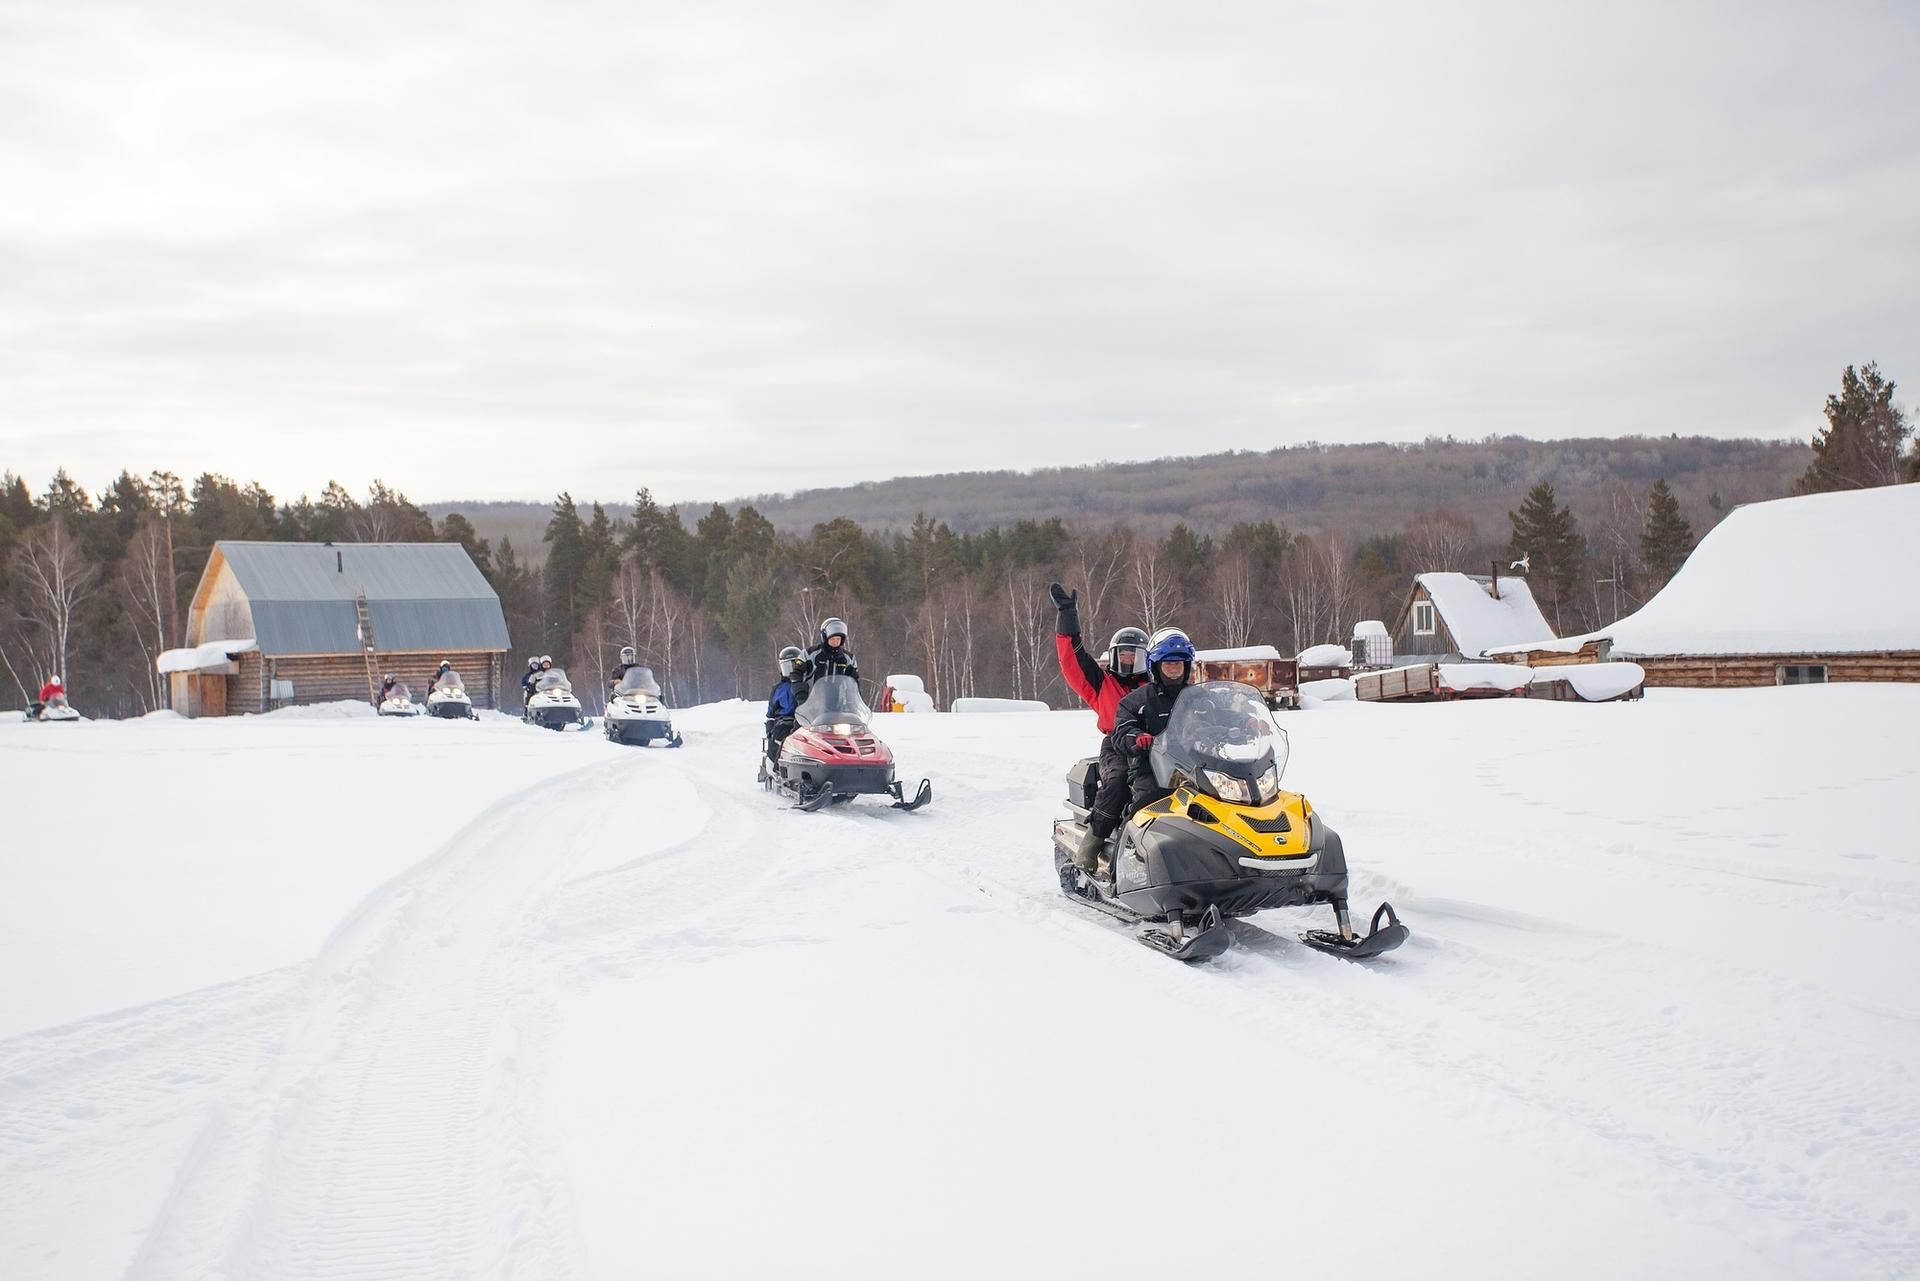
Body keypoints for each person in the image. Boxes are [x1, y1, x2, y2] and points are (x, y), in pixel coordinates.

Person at [1049, 584, 1150, 873]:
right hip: (1117, 746)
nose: (1130, 660)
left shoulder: (1156, 686)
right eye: (1125, 654)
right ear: (1115, 656)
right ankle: (1090, 850)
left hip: (1155, 746)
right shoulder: (1102, 682)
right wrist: (1068, 616)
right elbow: (1073, 661)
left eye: (1136, 655)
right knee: (1117, 783)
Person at [1097, 628, 1199, 868]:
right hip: (1151, 767)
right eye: (1169, 664)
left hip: (1193, 766)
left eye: (1179, 664)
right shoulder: (1139, 699)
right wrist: (1137, 737)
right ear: (1156, 666)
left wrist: (1246, 724)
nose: (1174, 669)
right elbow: (1122, 728)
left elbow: (1218, 719)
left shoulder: (1196, 697)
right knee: (1146, 803)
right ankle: (1120, 863)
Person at [764, 645, 811, 763]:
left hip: (807, 719)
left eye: (793, 665)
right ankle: (776, 764)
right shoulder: (779, 688)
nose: (790, 670)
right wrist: (770, 728)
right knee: (781, 733)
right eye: (787, 666)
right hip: (786, 720)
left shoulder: (807, 684)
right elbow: (771, 712)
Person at [805, 617, 859, 682]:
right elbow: (797, 674)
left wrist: (853, 691)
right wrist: (800, 690)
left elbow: (853, 680)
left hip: (838, 692)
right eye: (832, 639)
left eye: (838, 639)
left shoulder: (848, 658)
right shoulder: (810, 654)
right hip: (813, 691)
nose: (835, 642)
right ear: (825, 638)